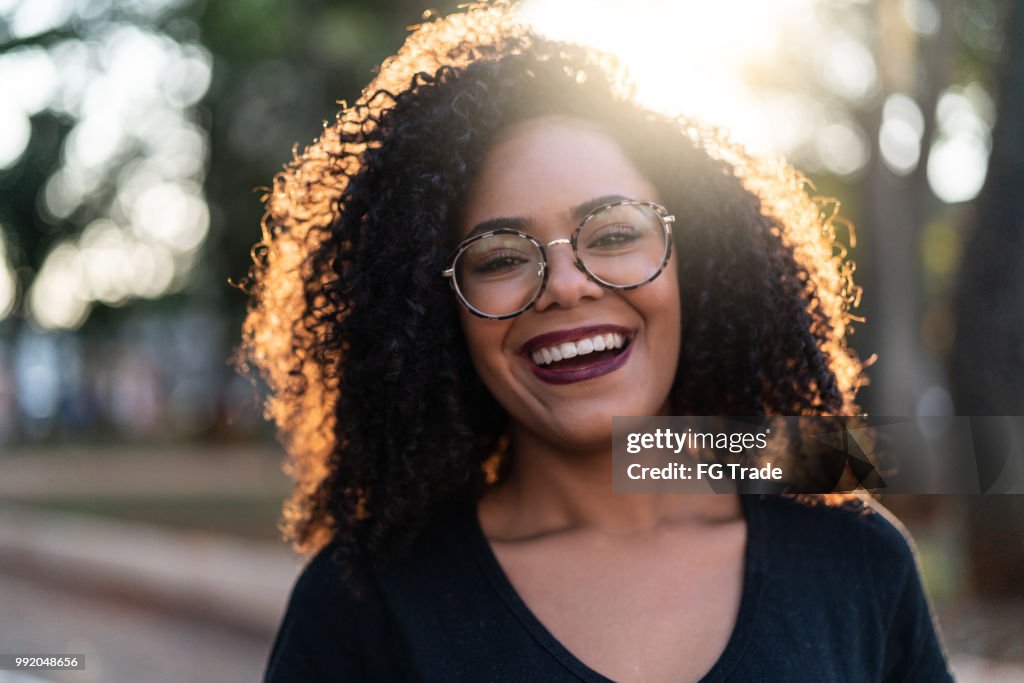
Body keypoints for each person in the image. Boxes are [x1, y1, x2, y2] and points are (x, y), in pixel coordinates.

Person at [240, 2, 955, 681]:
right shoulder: (364, 606)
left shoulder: (854, 556)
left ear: (695, 261)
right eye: (500, 257)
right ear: (432, 314)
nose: (565, 285)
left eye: (613, 233)